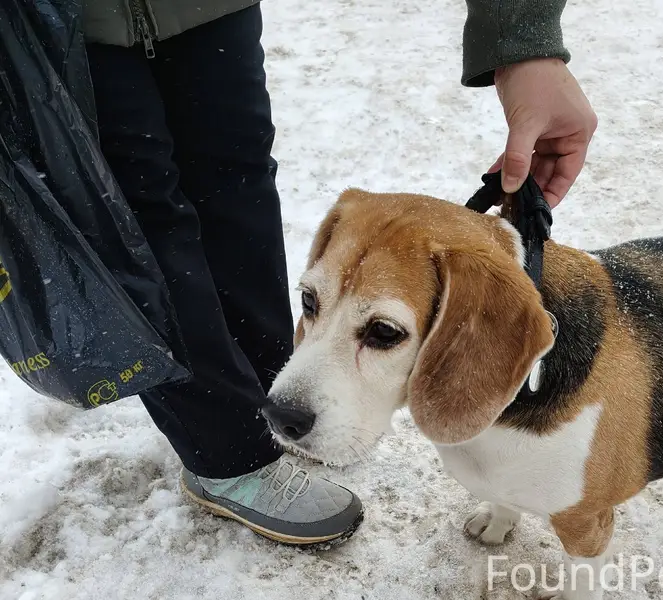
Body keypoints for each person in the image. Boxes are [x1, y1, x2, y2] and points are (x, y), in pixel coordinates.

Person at [80, 0, 596, 545]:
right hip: (70, 25)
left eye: (381, 331)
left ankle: (269, 383)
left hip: (211, 9)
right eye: (310, 301)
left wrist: (525, 39)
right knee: (138, 219)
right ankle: (225, 456)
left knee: (236, 180)